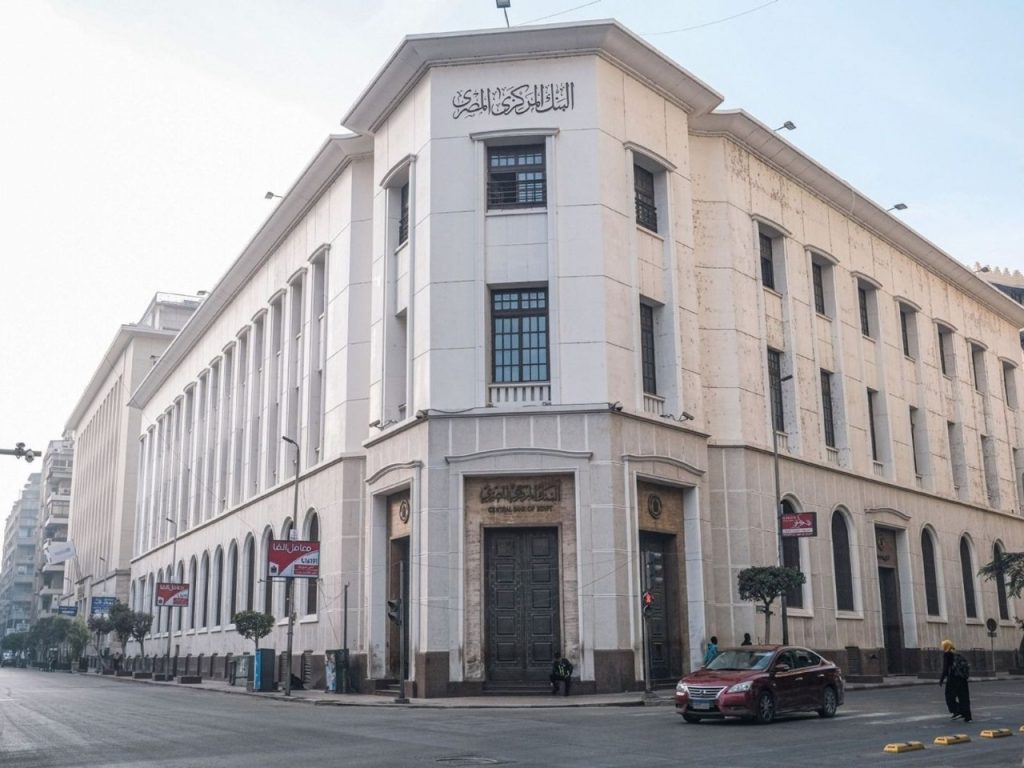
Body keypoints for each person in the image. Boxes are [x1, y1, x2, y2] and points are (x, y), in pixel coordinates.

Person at [938, 639, 971, 723]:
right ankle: (968, 716)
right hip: (962, 678)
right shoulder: (957, 653)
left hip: (953, 678)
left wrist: (941, 679)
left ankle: (957, 710)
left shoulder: (947, 654)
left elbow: (946, 668)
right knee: (964, 697)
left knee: (949, 696)